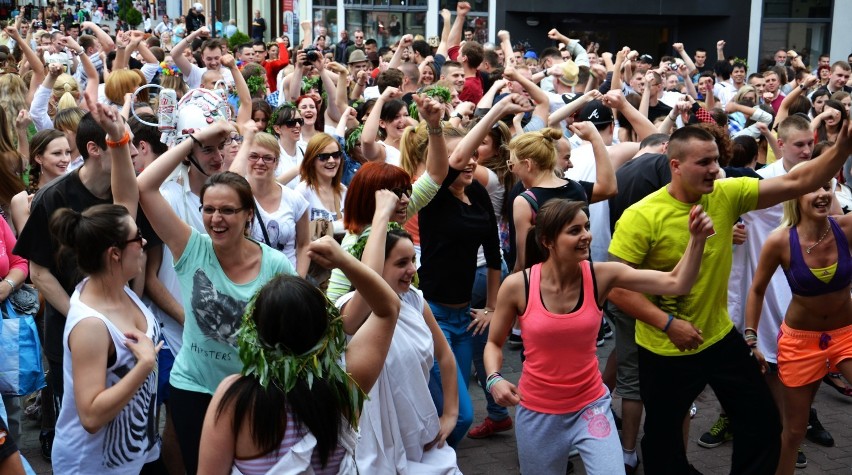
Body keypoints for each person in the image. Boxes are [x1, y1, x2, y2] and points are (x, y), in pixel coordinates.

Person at [607, 124, 852, 474]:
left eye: (716, 161)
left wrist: (843, 147)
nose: (713, 169)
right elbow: (616, 287)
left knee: (763, 423)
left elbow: (799, 181)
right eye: (703, 162)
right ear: (675, 165)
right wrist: (669, 324)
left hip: (719, 337)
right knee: (663, 442)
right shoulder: (642, 216)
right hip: (664, 349)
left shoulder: (726, 193)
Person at [486, 198, 714, 474]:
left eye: (587, 227)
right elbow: (494, 344)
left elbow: (677, 283)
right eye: (575, 231)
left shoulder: (600, 276)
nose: (586, 236)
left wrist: (697, 239)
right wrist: (494, 378)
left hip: (591, 406)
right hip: (537, 412)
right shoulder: (517, 285)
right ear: (547, 241)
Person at [137, 119, 297, 474]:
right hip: (193, 387)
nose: (216, 219)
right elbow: (144, 187)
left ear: (248, 216)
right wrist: (194, 140)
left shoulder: (275, 266)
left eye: (227, 210)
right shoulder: (192, 248)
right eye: (209, 209)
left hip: (252, 388)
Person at [197, 236, 400, 474]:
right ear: (325, 328)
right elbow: (388, 309)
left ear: (256, 331)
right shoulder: (345, 385)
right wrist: (343, 260)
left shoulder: (234, 397)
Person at [49, 99, 165, 473]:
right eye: (137, 240)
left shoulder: (118, 285)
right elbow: (91, 414)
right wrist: (144, 365)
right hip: (90, 465)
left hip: (131, 456)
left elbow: (126, 198)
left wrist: (117, 137)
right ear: (115, 254)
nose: (144, 242)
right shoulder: (91, 326)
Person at [337, 193, 461, 472]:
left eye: (413, 260)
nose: (412, 270)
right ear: (377, 265)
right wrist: (381, 213)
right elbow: (370, 285)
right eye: (401, 263)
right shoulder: (351, 310)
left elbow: (445, 357)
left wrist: (451, 414)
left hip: (417, 430)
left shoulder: (415, 300)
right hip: (372, 441)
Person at [745, 178, 852, 475]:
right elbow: (756, 290)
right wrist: (751, 337)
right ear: (795, 196)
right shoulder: (780, 241)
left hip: (847, 336)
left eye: (825, 188)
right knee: (793, 432)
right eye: (812, 189)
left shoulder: (845, 228)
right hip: (800, 342)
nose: (821, 195)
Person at [228, 125, 310, 276]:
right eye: (253, 156)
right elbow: (228, 183)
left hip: (287, 284)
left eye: (267, 158)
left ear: (276, 163)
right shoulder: (237, 198)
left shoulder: (295, 199)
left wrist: (300, 280)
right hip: (248, 283)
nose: (260, 162)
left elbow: (304, 244)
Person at [10, 130, 70, 232]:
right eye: (57, 153)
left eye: (68, 152)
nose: (65, 159)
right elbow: (28, 245)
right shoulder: (21, 200)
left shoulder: (76, 190)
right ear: (38, 158)